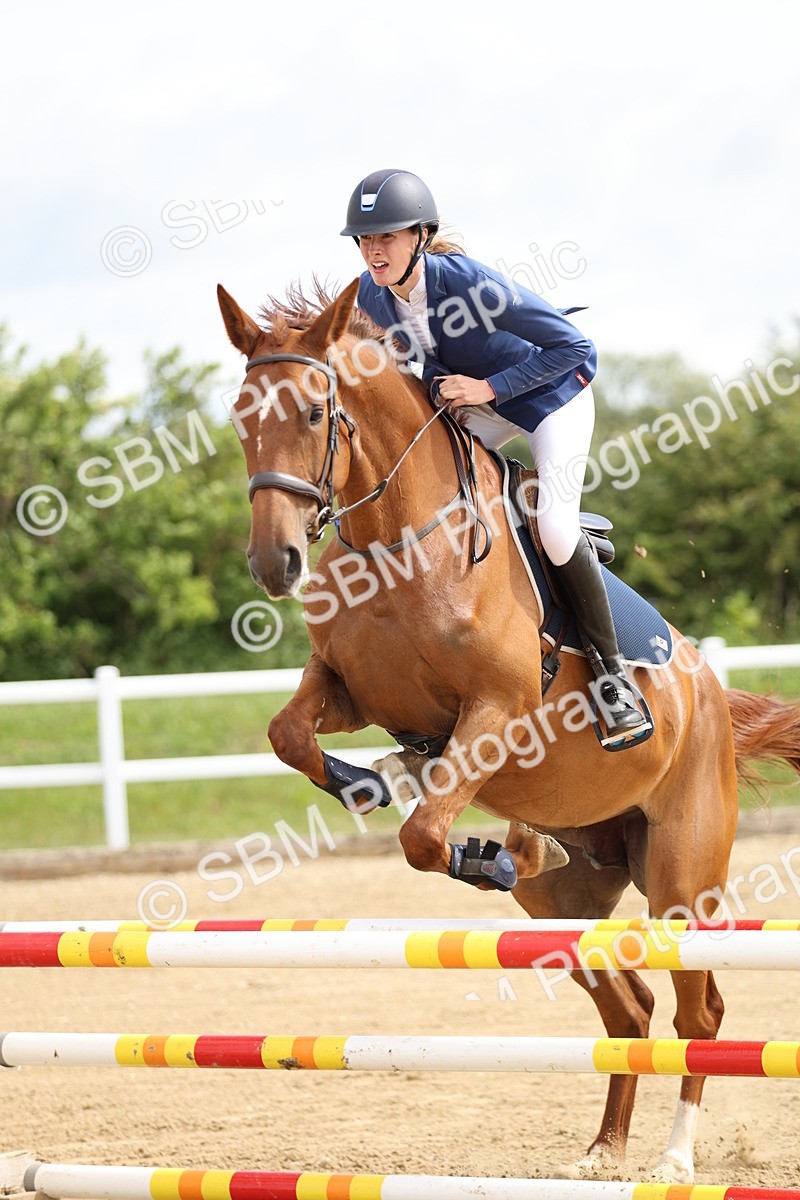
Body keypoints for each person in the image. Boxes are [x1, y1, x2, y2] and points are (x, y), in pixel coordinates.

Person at [340, 168, 650, 747]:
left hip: (552, 394)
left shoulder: (466, 282)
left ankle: (614, 679)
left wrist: (488, 390)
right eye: (365, 239)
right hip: (476, 402)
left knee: (555, 530)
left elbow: (576, 347)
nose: (374, 250)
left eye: (388, 236)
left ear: (422, 237)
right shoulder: (367, 299)